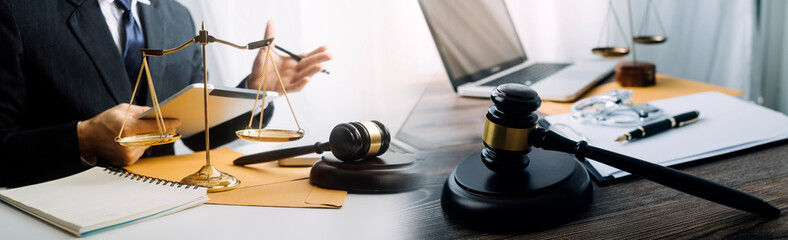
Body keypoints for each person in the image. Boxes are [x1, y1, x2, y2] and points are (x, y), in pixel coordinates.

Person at [0, 0, 332, 187]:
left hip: (169, 202)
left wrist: (254, 93)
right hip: (67, 209)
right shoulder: (18, 11)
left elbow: (195, 137)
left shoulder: (177, 16)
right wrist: (83, 139)